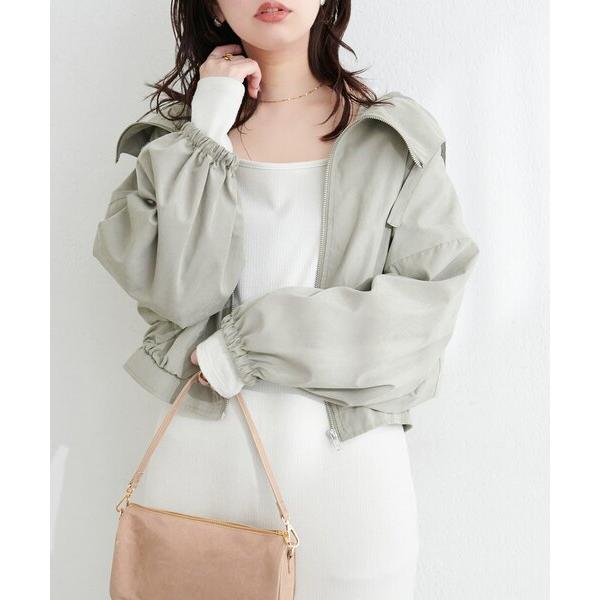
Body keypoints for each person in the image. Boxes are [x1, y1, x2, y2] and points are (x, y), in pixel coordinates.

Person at [93, 1, 479, 598]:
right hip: (197, 479)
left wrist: (247, 346)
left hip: (349, 486)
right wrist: (207, 125)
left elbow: (422, 319)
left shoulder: (394, 140)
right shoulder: (176, 146)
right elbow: (177, 294)